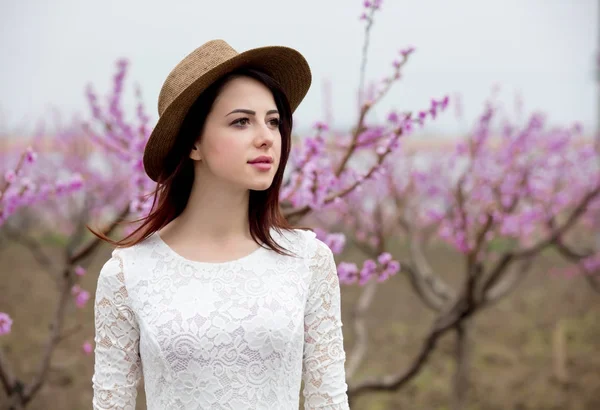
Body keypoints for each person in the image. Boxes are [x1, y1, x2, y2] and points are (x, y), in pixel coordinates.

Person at [91, 39, 350, 409]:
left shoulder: (308, 261)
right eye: (241, 121)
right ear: (193, 143)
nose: (265, 138)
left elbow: (330, 402)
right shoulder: (128, 274)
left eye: (273, 122)